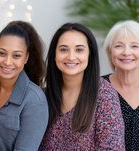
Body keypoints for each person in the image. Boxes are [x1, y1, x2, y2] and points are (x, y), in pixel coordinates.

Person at [40, 23, 124, 150]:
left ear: (90, 54)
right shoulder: (42, 96)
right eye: (63, 49)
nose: (71, 57)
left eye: (79, 49)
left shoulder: (104, 94)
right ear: (54, 54)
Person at [0, 23, 48, 150]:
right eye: (2, 53)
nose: (8, 62)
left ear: (26, 58)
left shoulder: (34, 100)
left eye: (16, 56)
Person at [102, 20, 139, 151]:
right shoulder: (98, 89)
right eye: (119, 46)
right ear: (109, 51)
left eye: (135, 46)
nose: (126, 52)